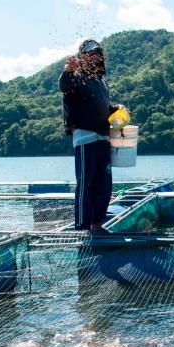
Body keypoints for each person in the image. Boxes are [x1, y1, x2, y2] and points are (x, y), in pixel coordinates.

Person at [59, 39, 124, 233]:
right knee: (86, 183)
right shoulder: (76, 75)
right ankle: (82, 227)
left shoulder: (101, 81)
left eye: (97, 53)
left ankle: (96, 223)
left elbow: (102, 107)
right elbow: (64, 86)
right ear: (82, 56)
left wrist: (117, 109)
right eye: (89, 53)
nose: (94, 56)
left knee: (104, 185)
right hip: (86, 137)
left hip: (104, 138)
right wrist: (68, 71)